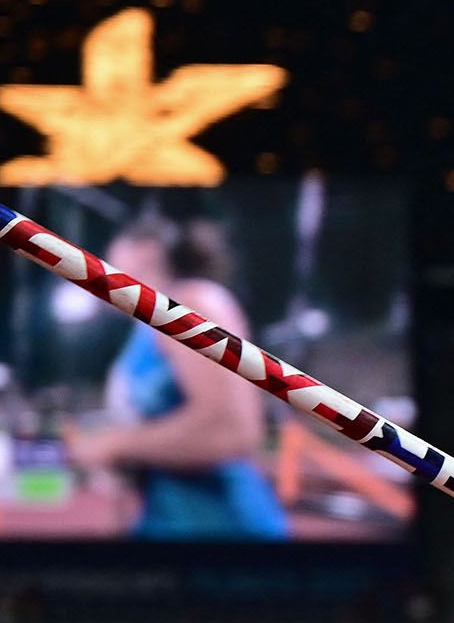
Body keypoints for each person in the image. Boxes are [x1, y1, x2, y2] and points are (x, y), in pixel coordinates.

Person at [61, 212, 291, 541]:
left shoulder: (193, 301)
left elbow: (232, 430)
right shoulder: (147, 326)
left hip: (225, 535)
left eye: (111, 259)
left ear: (146, 250)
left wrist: (112, 445)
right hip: (168, 525)